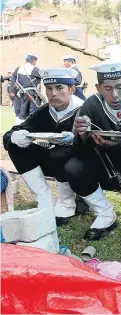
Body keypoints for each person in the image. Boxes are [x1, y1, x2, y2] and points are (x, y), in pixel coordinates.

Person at [64, 61, 121, 242]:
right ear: (98, 88)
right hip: (106, 165)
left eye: (120, 87)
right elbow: (78, 151)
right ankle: (105, 214)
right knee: (73, 167)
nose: (114, 95)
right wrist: (82, 135)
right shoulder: (92, 103)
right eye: (107, 88)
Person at [3, 68, 83, 212]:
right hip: (54, 162)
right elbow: (13, 131)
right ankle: (45, 200)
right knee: (16, 146)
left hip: (82, 166)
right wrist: (15, 136)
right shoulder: (45, 110)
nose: (53, 94)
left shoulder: (85, 109)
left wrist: (75, 140)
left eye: (59, 88)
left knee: (60, 153)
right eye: (49, 88)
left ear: (72, 89)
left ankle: (67, 203)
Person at [10, 53, 42, 124]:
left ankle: (19, 129)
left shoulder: (18, 69)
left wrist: (12, 93)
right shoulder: (35, 69)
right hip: (32, 95)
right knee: (33, 113)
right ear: (33, 61)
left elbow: (13, 82)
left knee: (20, 114)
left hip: (19, 95)